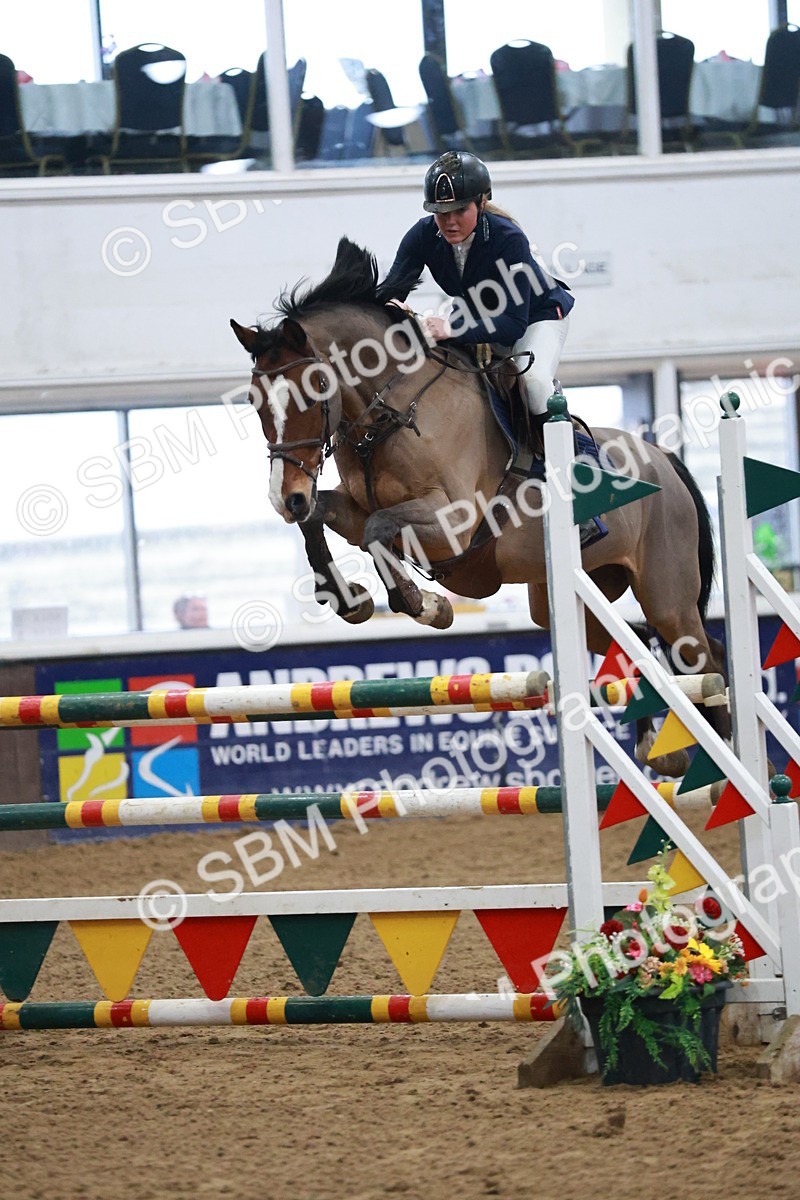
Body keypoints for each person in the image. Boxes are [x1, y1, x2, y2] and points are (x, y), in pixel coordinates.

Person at [380, 149, 606, 548]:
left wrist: (449, 327)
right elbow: (391, 292)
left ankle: (585, 489)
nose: (449, 221)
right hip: (476, 317)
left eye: (460, 211)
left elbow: (512, 325)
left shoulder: (507, 239)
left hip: (537, 316)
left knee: (534, 383)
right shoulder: (423, 236)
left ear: (481, 202)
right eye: (440, 213)